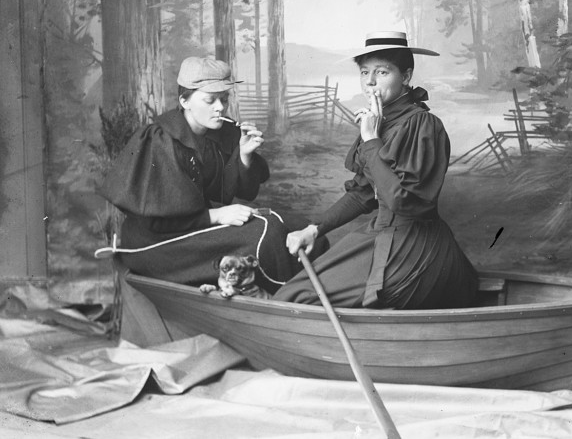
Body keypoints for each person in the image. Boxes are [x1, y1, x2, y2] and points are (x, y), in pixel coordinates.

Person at [273, 31, 478, 309]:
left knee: (303, 298)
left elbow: (401, 201)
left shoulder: (423, 125)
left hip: (414, 248)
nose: (369, 81)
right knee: (293, 292)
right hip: (382, 234)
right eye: (364, 72)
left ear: (405, 77)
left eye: (382, 72)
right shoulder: (378, 122)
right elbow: (363, 194)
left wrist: (371, 140)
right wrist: (314, 229)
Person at [99, 56, 327, 292]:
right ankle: (290, 299)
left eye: (224, 99)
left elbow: (240, 191)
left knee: (299, 227)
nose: (220, 107)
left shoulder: (219, 133)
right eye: (210, 100)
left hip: (193, 228)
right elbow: (158, 220)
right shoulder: (160, 140)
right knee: (267, 231)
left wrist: (244, 157)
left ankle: (318, 294)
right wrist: (216, 216)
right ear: (184, 101)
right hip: (156, 244)